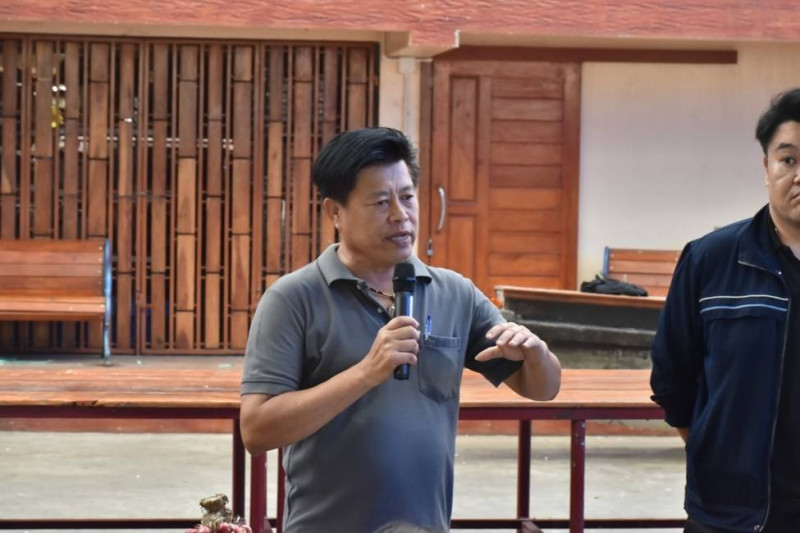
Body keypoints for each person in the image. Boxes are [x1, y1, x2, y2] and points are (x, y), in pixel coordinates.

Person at [240, 127, 562, 533]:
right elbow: (257, 430)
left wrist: (536, 354)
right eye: (380, 202)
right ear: (334, 213)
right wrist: (365, 373)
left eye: (407, 197)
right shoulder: (293, 299)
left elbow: (543, 388)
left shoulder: (454, 293)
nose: (400, 214)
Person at [650, 88, 800, 532]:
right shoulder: (710, 259)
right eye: (788, 159)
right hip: (730, 513)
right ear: (767, 168)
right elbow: (672, 376)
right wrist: (714, 453)